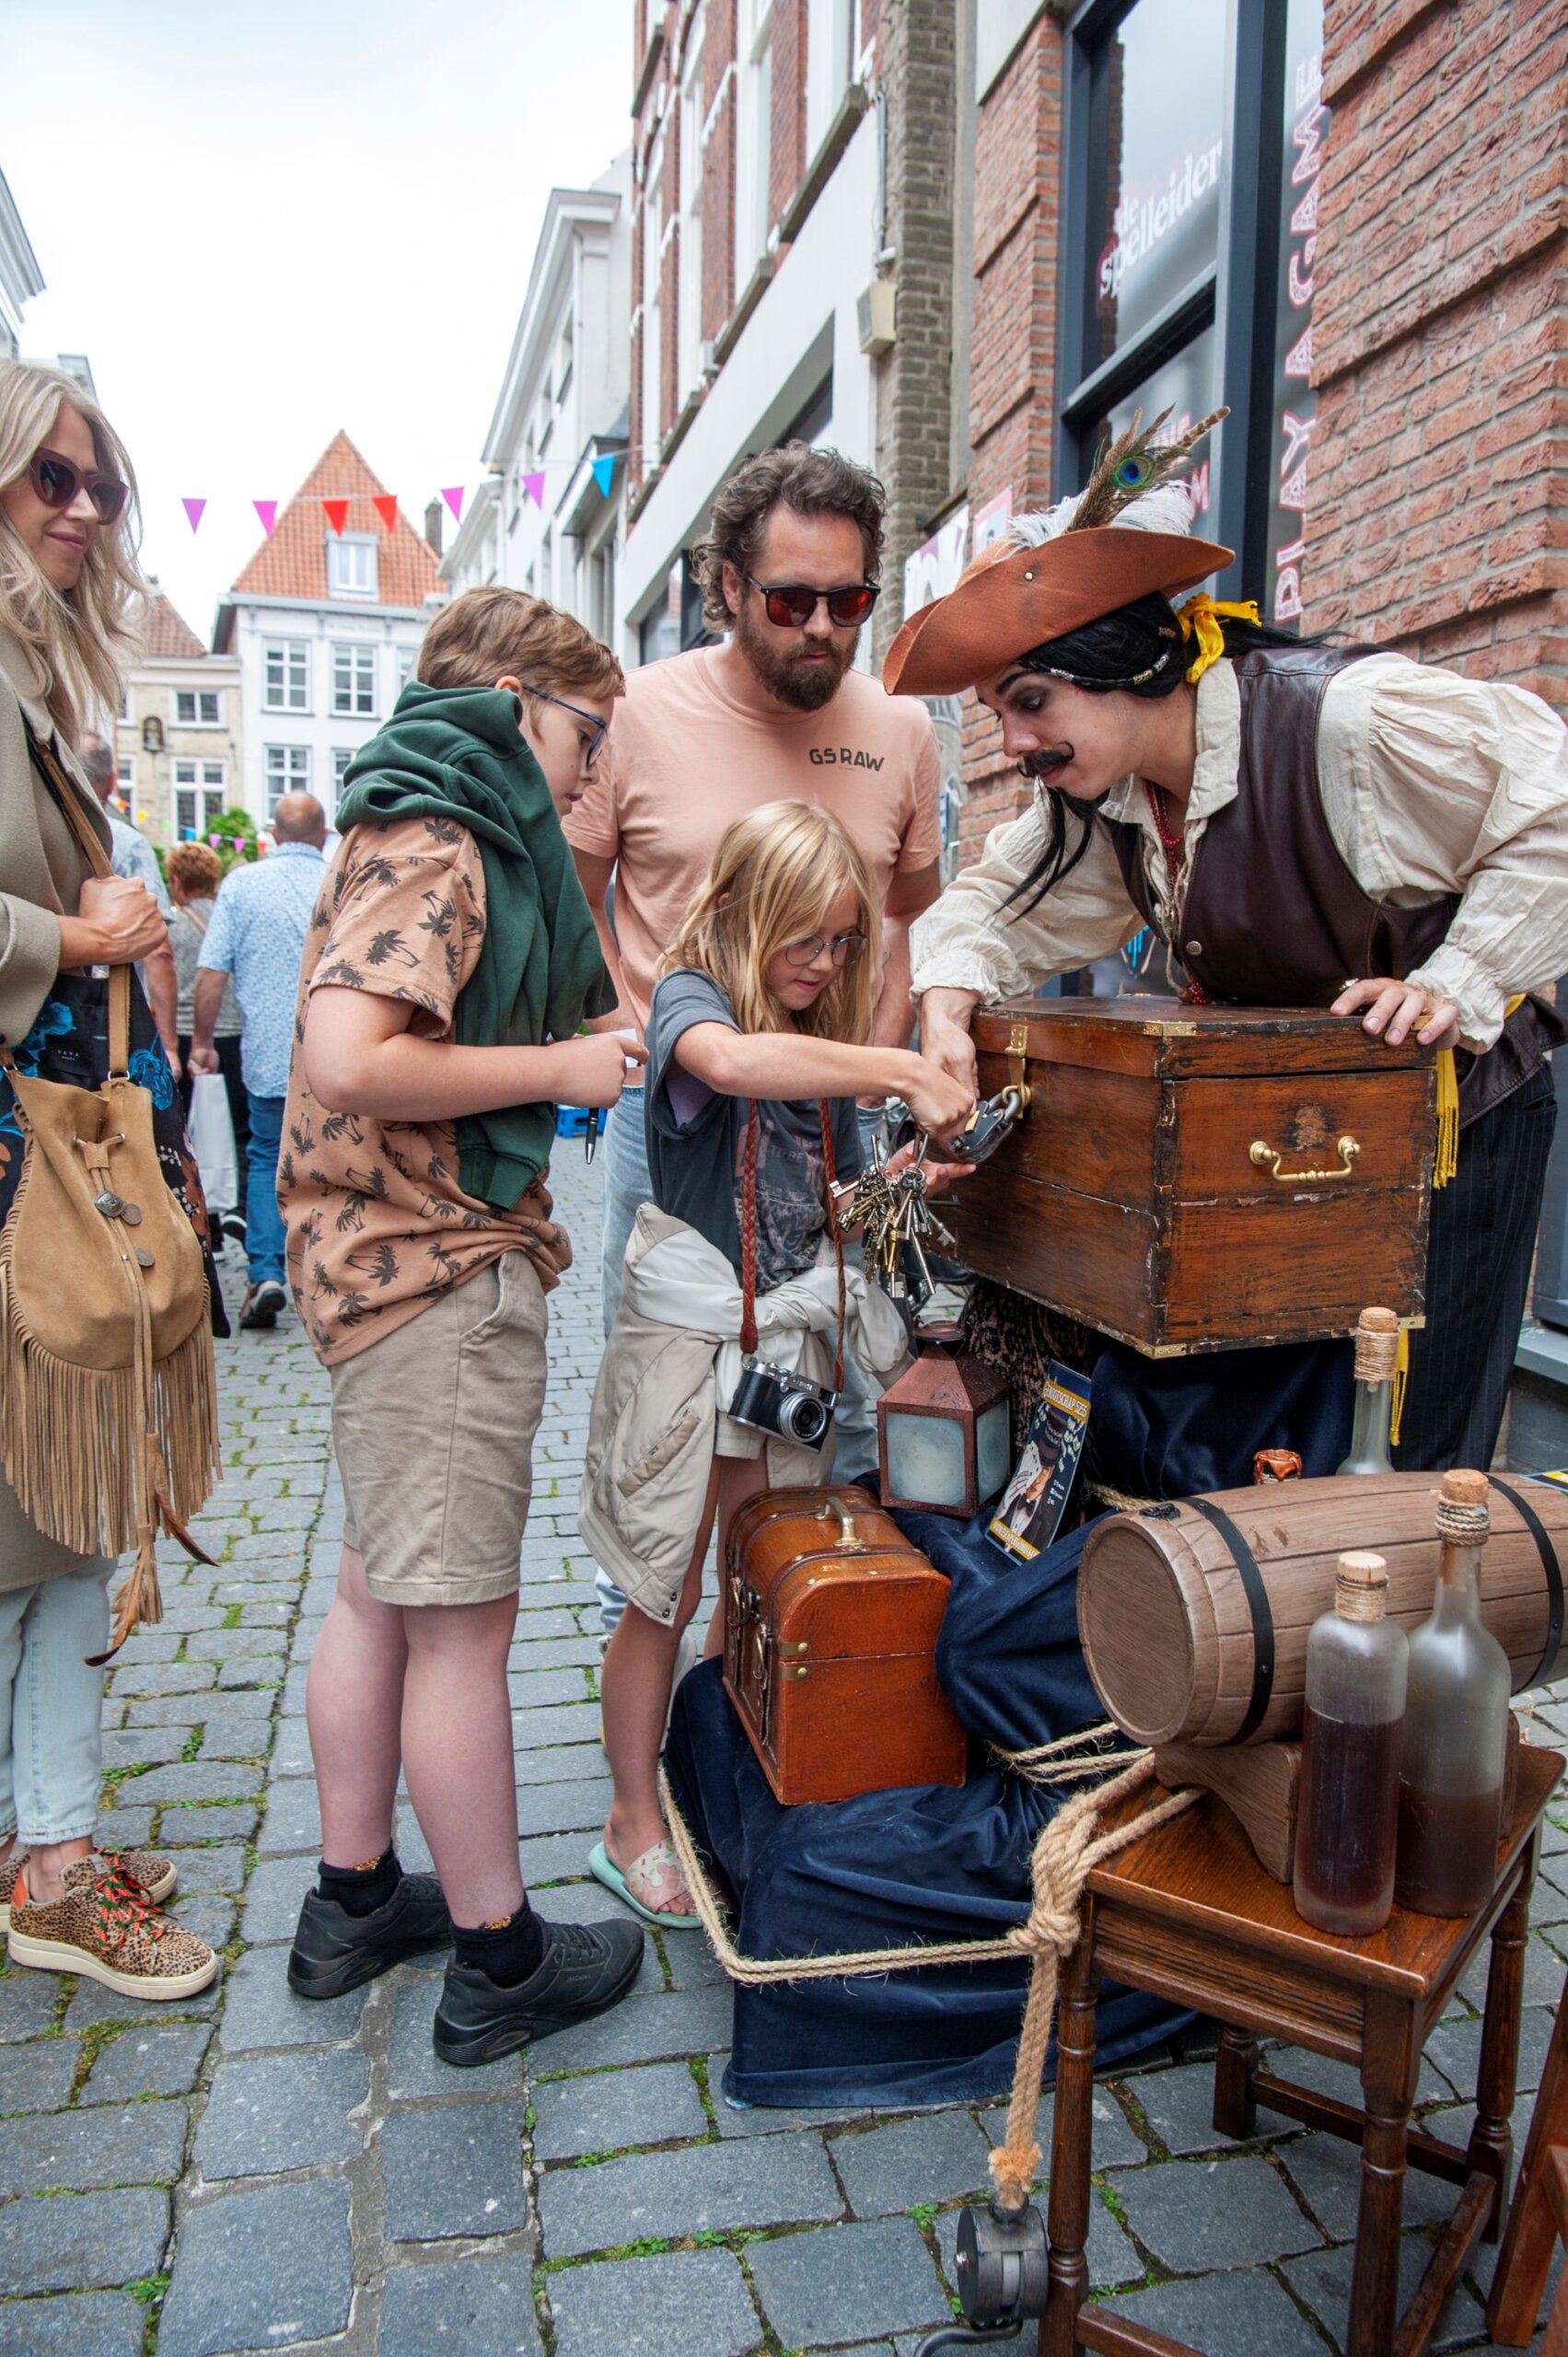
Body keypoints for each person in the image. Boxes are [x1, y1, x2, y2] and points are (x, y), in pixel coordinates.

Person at [891, 421, 1568, 1471]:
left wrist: (1458, 978)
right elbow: (985, 910)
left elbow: (1551, 798)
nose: (1015, 745)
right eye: (998, 713)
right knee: (1299, 1435)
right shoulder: (1104, 802)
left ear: (1118, 661)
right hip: (1296, 1147)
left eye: (1029, 704)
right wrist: (942, 1015)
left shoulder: (1347, 722)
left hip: (1449, 1127)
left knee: (1413, 1433)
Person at [279, 586, 645, 2066]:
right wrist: (559, 1063)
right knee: (460, 1628)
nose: (592, 770)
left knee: (377, 1591)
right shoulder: (448, 837)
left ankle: (354, 1898)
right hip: (431, 1272)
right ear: (514, 707)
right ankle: (500, 1960)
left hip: (371, 1269)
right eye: (583, 733)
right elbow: (347, 1054)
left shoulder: (398, 817)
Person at [566, 440, 943, 1626]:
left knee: (800, 1434)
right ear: (725, 584)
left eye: (849, 601)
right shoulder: (637, 710)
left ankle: (766, 1688)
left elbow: (900, 928)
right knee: (675, 1425)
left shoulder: (901, 730)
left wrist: (881, 1103)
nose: (821, 627)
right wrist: (636, 1045)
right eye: (790, 600)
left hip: (840, 1140)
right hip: (675, 1130)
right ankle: (661, 1618)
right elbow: (575, 904)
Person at [583, 801, 974, 1922]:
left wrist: (904, 1181)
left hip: (780, 1347)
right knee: (660, 1582)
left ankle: (715, 1767)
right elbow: (729, 1060)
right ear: (746, 911)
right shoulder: (691, 998)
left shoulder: (819, 1041)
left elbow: (826, 1207)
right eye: (803, 936)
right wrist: (897, 1066)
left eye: (843, 941)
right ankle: (627, 1820)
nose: (822, 961)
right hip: (692, 1339)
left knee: (754, 1577)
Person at [0, 358, 216, 1998]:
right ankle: (51, 1863)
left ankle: (48, 1843)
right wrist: (71, 935)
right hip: (18, 1165)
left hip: (50, 1152)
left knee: (59, 1513)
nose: (78, 508)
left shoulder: (37, 684)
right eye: (45, 478)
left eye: (98, 485)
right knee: (52, 1512)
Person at [190, 791, 328, 1329]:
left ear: (272, 835)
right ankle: (326, 1275)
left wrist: (202, 1041)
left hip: (269, 1055)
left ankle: (267, 1271)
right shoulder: (341, 877)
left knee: (269, 1159)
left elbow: (211, 973)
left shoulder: (242, 884)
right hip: (336, 1054)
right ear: (322, 836)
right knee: (333, 1162)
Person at [76, 729, 180, 1075]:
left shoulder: (35, 839)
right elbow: (157, 951)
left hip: (41, 1018)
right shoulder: (128, 843)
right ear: (110, 782)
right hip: (113, 1021)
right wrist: (168, 1045)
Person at [166, 841, 248, 1244]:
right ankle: (236, 1208)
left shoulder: (172, 925)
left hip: (185, 1036)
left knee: (189, 1130)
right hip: (233, 1033)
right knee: (232, 1127)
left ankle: (204, 1222)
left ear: (177, 882)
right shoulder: (230, 915)